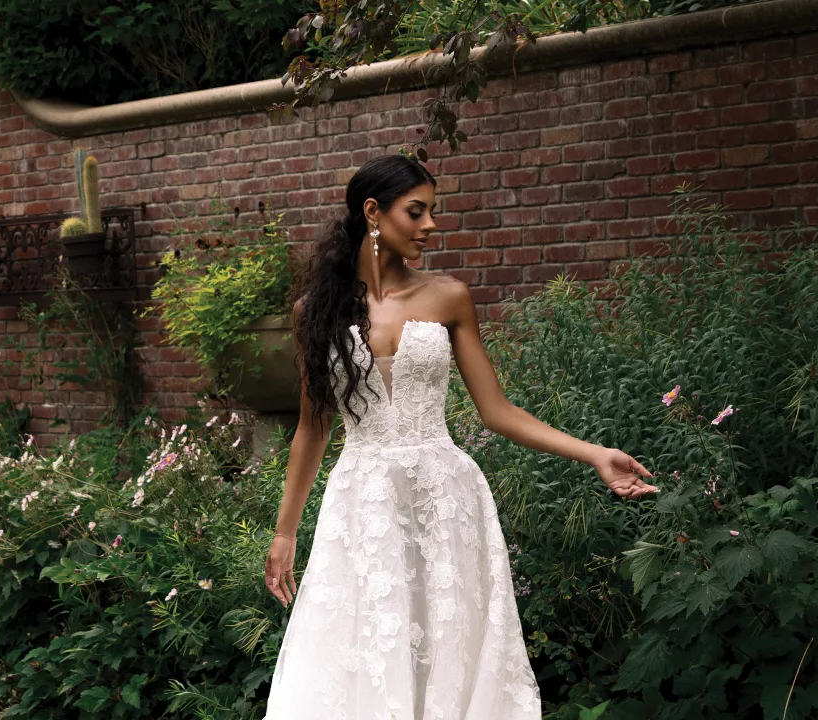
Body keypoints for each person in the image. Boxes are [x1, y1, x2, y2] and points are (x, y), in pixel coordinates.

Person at [261, 155, 660, 719]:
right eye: (416, 211)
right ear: (373, 213)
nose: (430, 226)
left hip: (444, 497)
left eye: (432, 212)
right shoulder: (316, 312)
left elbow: (496, 411)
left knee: (448, 646)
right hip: (363, 504)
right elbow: (312, 427)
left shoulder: (447, 297)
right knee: (368, 648)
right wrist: (284, 533)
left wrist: (595, 454)